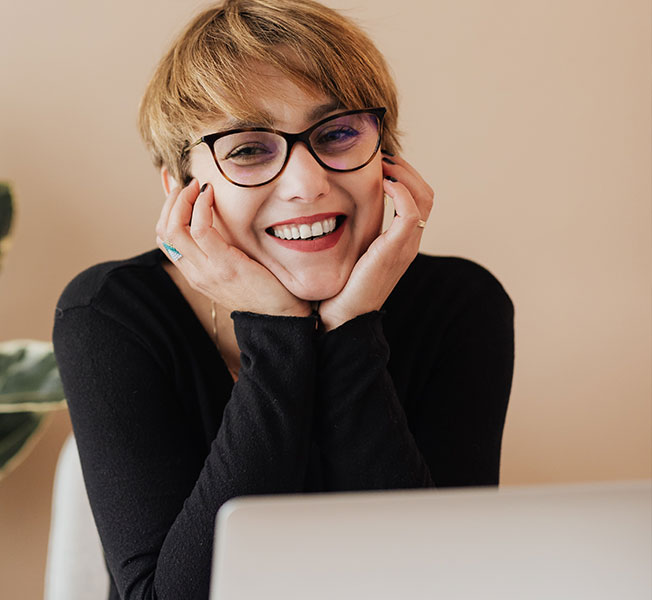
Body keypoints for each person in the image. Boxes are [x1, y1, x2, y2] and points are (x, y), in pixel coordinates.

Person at [52, 0, 514, 598]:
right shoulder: (111, 313)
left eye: (339, 133)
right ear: (182, 189)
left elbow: (447, 584)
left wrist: (350, 326)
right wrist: (276, 331)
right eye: (248, 149)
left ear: (388, 158)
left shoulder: (461, 304)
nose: (307, 184)